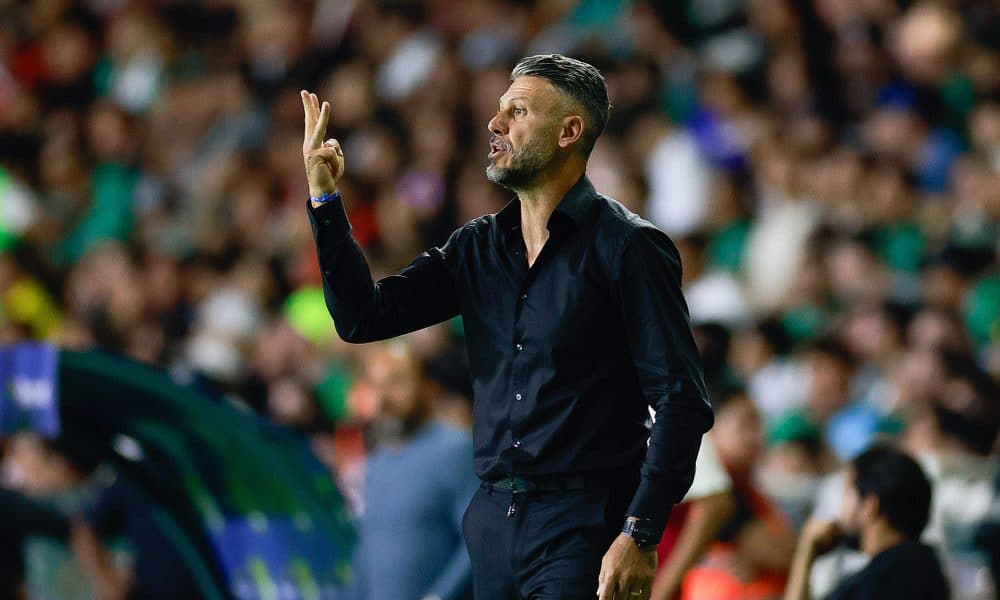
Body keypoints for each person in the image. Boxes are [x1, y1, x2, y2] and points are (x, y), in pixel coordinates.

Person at [300, 53, 713, 599]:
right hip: (494, 523)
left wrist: (640, 532)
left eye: (517, 112)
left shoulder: (628, 247)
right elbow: (362, 317)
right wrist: (326, 201)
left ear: (570, 131)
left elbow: (681, 400)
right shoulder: (476, 248)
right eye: (499, 111)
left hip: (584, 523)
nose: (495, 125)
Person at [351, 341, 477, 600]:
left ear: (428, 388)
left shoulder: (455, 449)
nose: (383, 397)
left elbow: (478, 541)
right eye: (375, 385)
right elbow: (366, 553)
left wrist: (439, 596)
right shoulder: (376, 463)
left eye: (396, 382)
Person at [783, 443, 950, 600]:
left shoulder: (883, 580)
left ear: (870, 506)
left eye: (846, 493)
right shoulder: (920, 565)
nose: (839, 509)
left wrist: (805, 554)